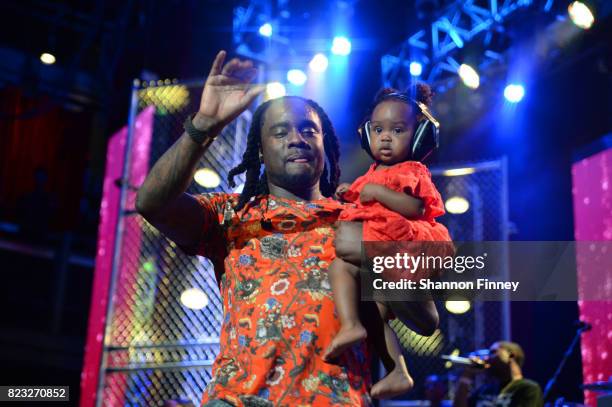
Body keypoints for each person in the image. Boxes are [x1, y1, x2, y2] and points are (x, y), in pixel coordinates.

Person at [136, 50, 439, 406]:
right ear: (260, 151)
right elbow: (151, 203)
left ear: (325, 143)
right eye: (280, 132)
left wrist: (372, 257)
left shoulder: (361, 217)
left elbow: (426, 320)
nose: (297, 138)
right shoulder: (230, 214)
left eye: (309, 129)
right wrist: (204, 124)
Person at [323, 86, 452, 398]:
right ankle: (393, 366)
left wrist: (379, 193)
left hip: (400, 243)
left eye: (397, 130)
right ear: (367, 133)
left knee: (349, 268)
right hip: (372, 251)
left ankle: (390, 347)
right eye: (378, 129)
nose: (385, 137)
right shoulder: (371, 172)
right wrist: (347, 193)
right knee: (347, 279)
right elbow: (361, 200)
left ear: (419, 137)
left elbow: (416, 209)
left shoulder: (412, 170)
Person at [453, 341, 544, 407]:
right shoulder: (485, 390)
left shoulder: (528, 388)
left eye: (493, 352)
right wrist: (466, 376)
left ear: (511, 356)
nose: (486, 358)